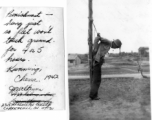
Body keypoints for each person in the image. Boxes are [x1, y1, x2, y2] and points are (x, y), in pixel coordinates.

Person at [89, 33, 122, 100]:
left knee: (96, 79)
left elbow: (101, 51)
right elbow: (97, 38)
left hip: (98, 61)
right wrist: (95, 49)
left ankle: (93, 95)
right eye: (116, 47)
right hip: (96, 61)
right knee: (96, 79)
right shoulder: (108, 42)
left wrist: (102, 59)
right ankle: (93, 96)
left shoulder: (109, 45)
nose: (115, 48)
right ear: (115, 44)